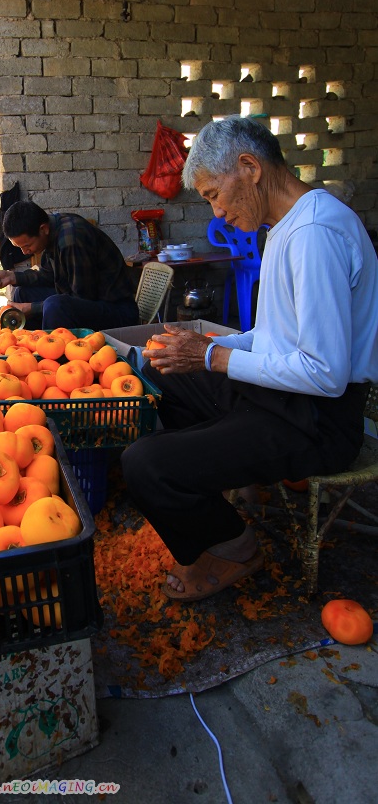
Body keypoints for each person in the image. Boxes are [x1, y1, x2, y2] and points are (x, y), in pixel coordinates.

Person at [121, 115, 378, 602]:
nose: (216, 212)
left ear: (249, 168)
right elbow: (273, 335)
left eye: (214, 194)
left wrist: (216, 358)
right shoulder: (285, 225)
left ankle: (236, 547)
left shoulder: (315, 233)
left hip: (317, 419)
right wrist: (200, 353)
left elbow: (324, 374)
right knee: (164, 369)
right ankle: (217, 489)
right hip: (281, 396)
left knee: (146, 465)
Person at [0, 200, 139, 331]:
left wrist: (31, 308)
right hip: (92, 301)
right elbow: (49, 275)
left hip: (118, 312)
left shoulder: (71, 240)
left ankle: (51, 360)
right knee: (22, 292)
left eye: (27, 245)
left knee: (55, 305)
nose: (24, 251)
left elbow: (81, 298)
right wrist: (11, 276)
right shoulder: (53, 231)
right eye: (19, 247)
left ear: (43, 229)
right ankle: (27, 349)